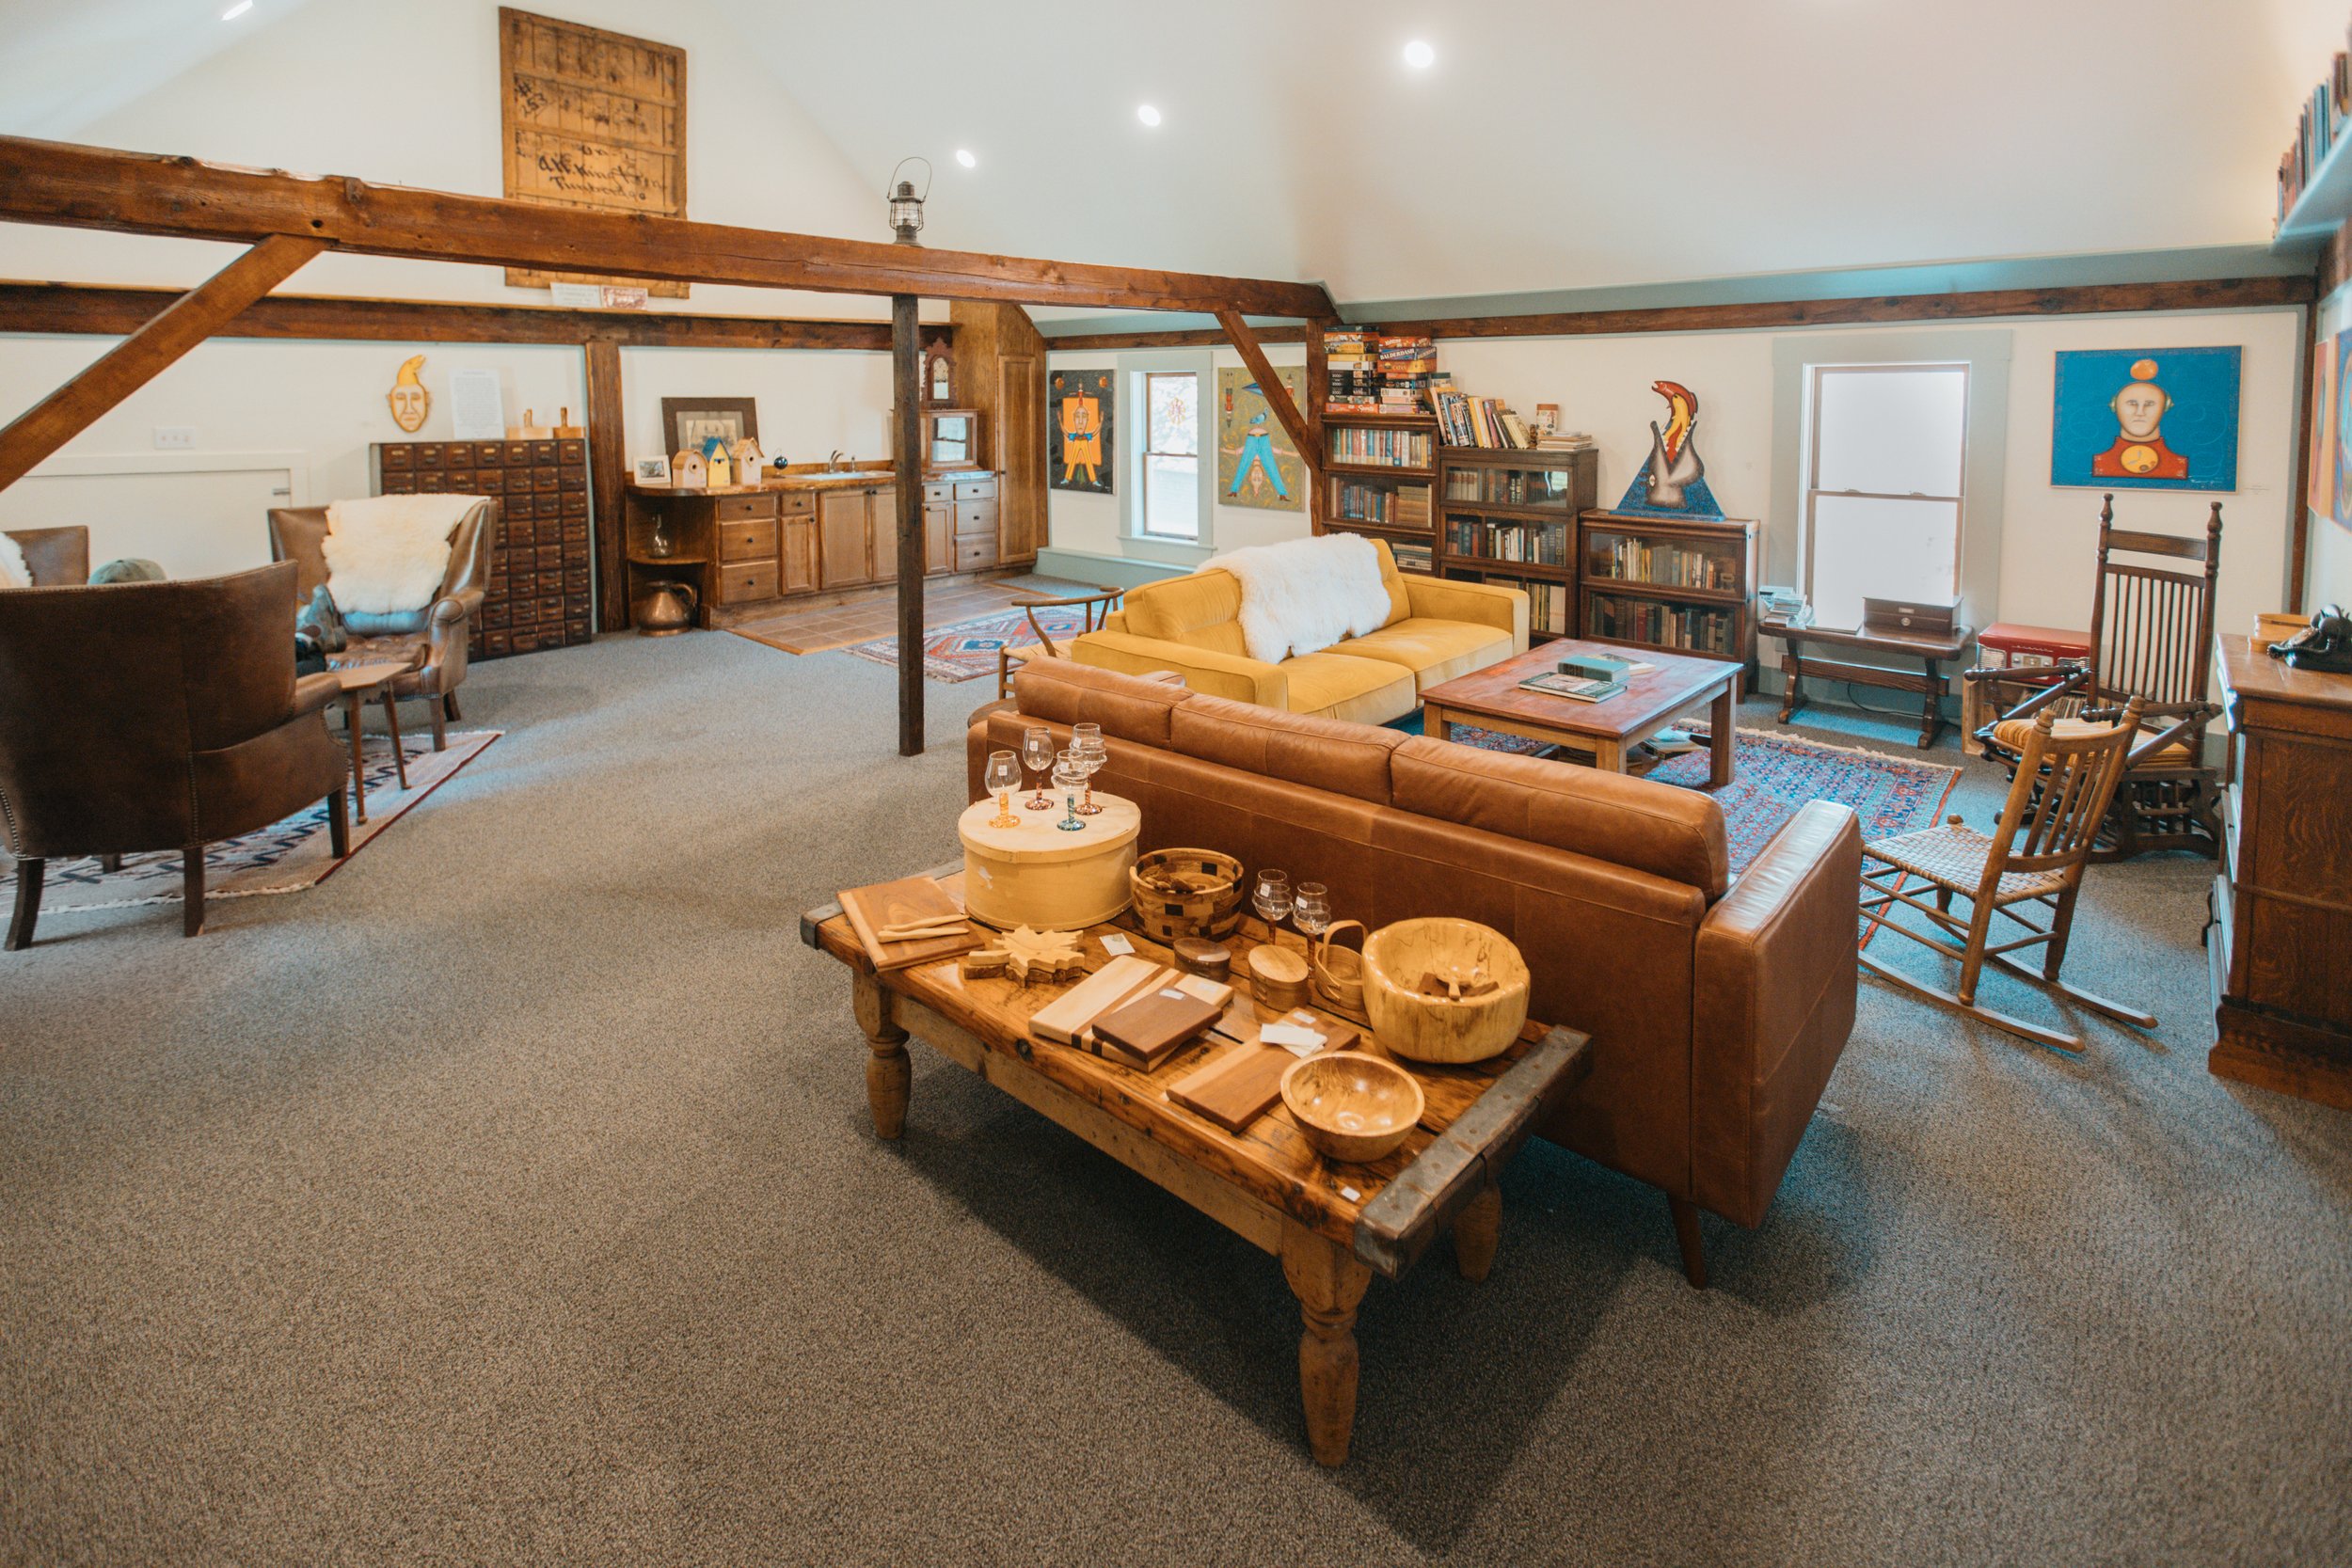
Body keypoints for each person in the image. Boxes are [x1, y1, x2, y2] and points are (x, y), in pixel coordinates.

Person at [2090, 359, 2189, 480]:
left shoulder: (2178, 466)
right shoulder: (2101, 463)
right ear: (2114, 406)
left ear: (2165, 407)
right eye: (2132, 403)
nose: (2140, 412)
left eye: (2150, 404)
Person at [1225, 409, 1290, 502]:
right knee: (1271, 468)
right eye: (1259, 478)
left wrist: (1225, 450)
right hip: (1263, 439)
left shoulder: (1249, 456)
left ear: (1250, 476)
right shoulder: (1265, 458)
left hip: (1253, 439)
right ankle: (1282, 493)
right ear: (1263, 476)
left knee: (1244, 466)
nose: (1256, 475)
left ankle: (1234, 491)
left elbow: (1236, 452)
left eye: (1254, 478)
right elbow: (1279, 452)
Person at [1058, 382, 1102, 487]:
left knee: (1088, 461)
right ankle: (1067, 478)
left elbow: (1095, 432)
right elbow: (1065, 432)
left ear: (1087, 419)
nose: (1081, 421)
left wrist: (1101, 422)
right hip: (1076, 442)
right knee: (1072, 460)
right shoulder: (1074, 436)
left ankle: (1094, 480)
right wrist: (1060, 421)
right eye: (1077, 416)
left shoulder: (1087, 436)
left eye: (1084, 417)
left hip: (1085, 443)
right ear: (1073, 418)